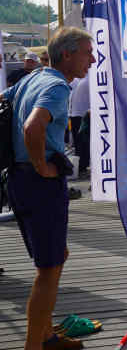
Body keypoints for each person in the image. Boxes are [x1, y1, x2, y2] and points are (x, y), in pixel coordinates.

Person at [3, 27, 95, 349]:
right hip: (40, 184)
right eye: (87, 52)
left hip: (17, 180)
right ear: (67, 54)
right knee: (48, 269)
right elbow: (33, 125)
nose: (93, 59)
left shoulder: (31, 78)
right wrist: (42, 165)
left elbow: (5, 106)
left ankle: (46, 335)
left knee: (58, 255)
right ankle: (35, 346)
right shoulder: (57, 86)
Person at [68, 77, 91, 179]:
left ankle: (81, 167)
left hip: (79, 114)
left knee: (81, 143)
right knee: (81, 143)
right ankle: (81, 168)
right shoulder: (82, 80)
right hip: (79, 115)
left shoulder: (84, 79)